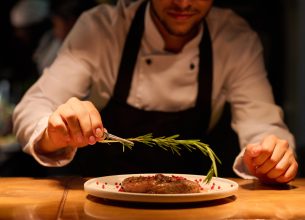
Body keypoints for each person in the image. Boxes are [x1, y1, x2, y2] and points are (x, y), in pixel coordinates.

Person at [13, 0, 298, 184]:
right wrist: (54, 133)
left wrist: (269, 157)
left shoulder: (235, 39)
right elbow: (35, 106)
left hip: (200, 205)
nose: (183, 3)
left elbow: (262, 124)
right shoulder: (101, 29)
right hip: (101, 201)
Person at [33, 0, 98, 73]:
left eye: (56, 24)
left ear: (71, 22)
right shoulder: (55, 40)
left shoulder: (85, 54)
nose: (55, 31)